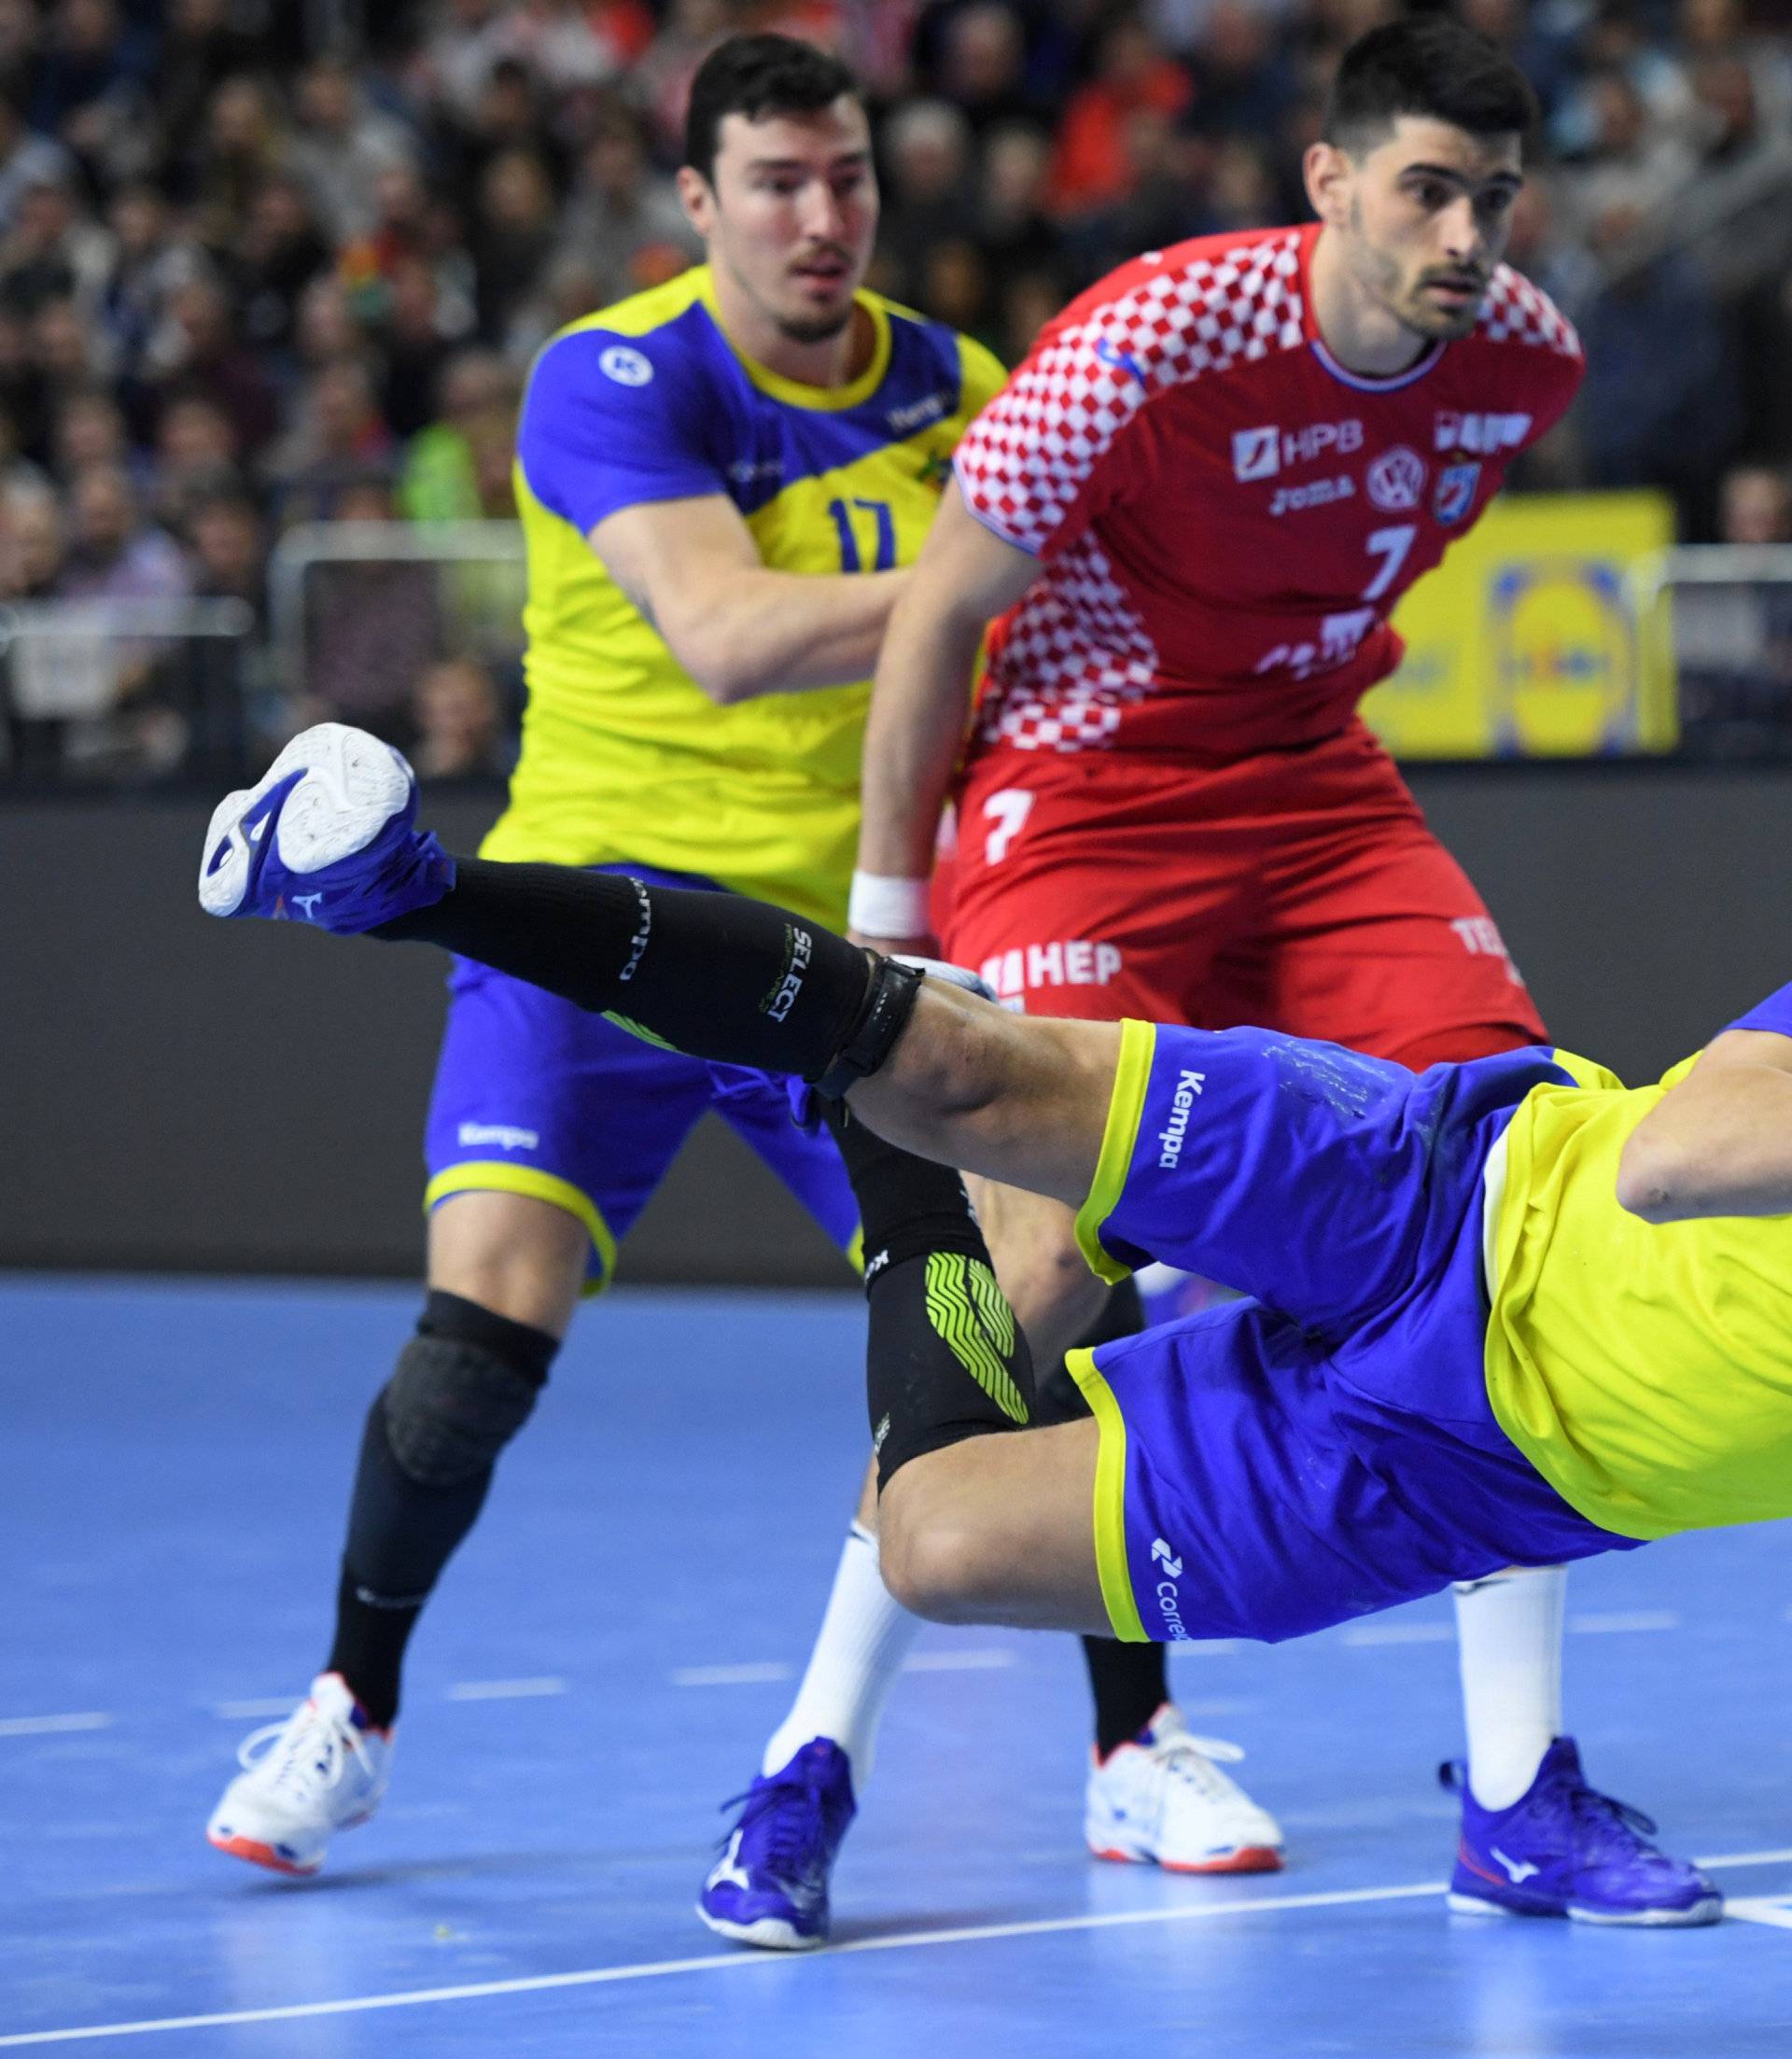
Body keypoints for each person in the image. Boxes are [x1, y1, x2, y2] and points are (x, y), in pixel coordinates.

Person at [199, 721, 1765, 1927]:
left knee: (939, 1536)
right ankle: (410, 888)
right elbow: (1685, 1154)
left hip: (1457, 1479)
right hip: (1463, 1195)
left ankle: (891, 1178)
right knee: (961, 1070)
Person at [836, 13, 1710, 1922]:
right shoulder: (1148, 341)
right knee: (1045, 1264)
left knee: (1515, 1201)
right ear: (1328, 182)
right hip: (1080, 781)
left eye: (1494, 194)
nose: (1467, 231)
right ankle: (818, 1747)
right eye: (1426, 188)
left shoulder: (1523, 366)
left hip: (1313, 793)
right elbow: (936, 624)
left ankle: (1516, 1799)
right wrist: (888, 932)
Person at [198, 35, 1003, 1947]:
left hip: (843, 955)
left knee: (1017, 1316)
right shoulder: (613, 375)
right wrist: (995, 571)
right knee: (478, 1337)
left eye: (850, 177)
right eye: (779, 184)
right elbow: (724, 640)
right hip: (600, 935)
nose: (823, 217)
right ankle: (350, 1709)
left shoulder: (961, 392)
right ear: (697, 204)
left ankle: (1137, 1745)